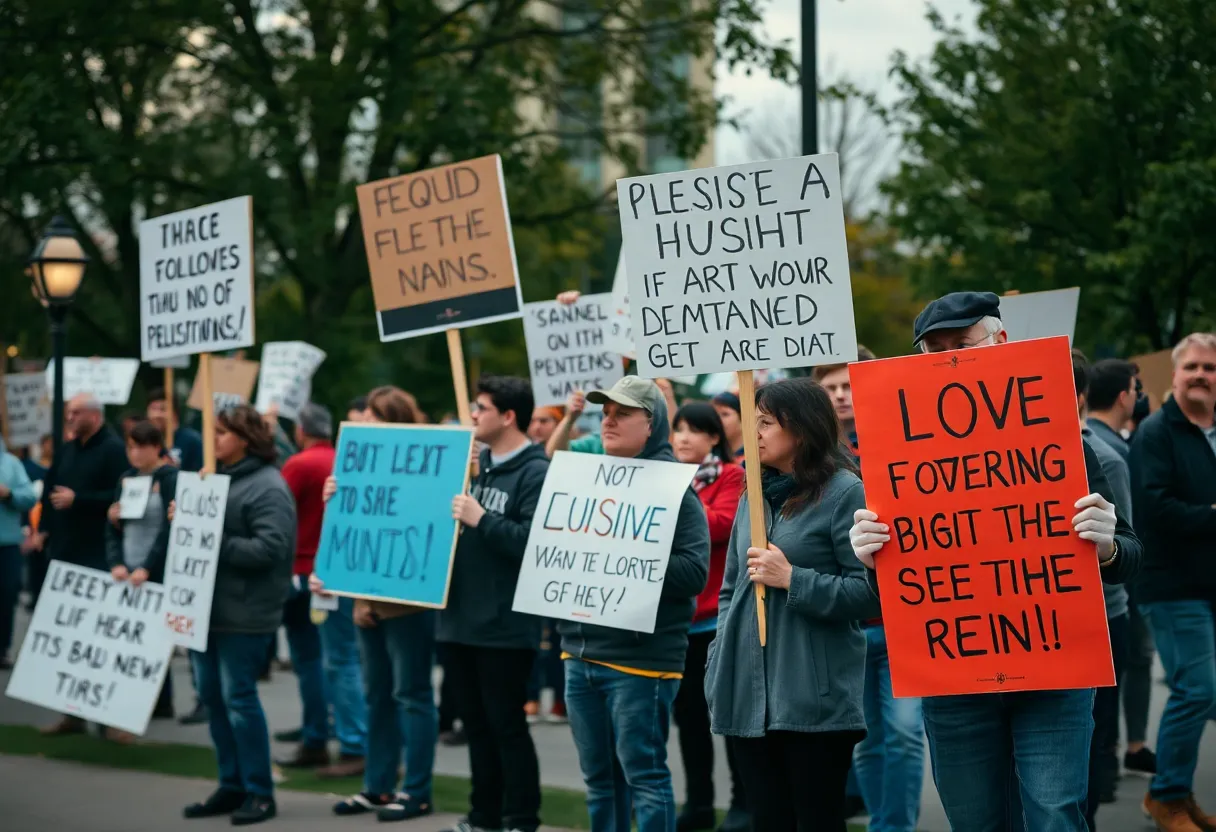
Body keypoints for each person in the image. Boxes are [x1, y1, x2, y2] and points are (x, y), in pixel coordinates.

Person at [848, 291, 1144, 832]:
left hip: (1054, 673)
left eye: (959, 345)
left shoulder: (1061, 440)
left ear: (1001, 342)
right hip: (956, 679)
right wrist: (871, 557)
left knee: (1055, 816)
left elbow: (1130, 556)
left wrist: (1107, 544)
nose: (945, 360)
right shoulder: (899, 453)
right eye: (932, 350)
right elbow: (888, 586)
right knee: (977, 822)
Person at [705, 378, 877, 831]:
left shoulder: (845, 492)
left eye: (764, 422)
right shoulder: (753, 493)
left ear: (800, 429)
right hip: (749, 693)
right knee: (767, 821)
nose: (752, 432)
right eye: (752, 421)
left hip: (813, 698)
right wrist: (721, 651)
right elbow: (731, 588)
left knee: (817, 821)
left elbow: (868, 594)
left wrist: (793, 579)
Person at [560, 376, 709, 832]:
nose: (608, 420)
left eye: (622, 413)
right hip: (579, 653)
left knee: (644, 777)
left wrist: (629, 553)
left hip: (641, 662)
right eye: (605, 412)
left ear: (651, 424)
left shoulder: (674, 490)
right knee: (599, 780)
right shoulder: (585, 479)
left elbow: (694, 573)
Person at [317, 386, 439, 823]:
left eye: (371, 416)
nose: (363, 423)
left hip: (412, 603)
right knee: (377, 696)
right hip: (368, 602)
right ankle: (379, 786)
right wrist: (337, 496)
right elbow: (357, 534)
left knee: (412, 695)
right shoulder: (355, 466)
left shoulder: (429, 468)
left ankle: (417, 790)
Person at [815, 349, 926, 832]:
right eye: (830, 388)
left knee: (904, 734)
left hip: (904, 618)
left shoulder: (903, 440)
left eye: (848, 385)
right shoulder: (811, 459)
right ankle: (883, 821)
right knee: (865, 738)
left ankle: (894, 827)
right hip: (849, 621)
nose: (841, 396)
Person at [171, 405, 295, 826]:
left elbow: (271, 550)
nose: (214, 439)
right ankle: (232, 784)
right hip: (205, 608)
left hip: (244, 612)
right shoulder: (212, 480)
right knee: (212, 697)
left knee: (239, 699)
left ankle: (260, 792)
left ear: (243, 438)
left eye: (221, 432)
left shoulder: (268, 487)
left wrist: (208, 537)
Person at [440, 375, 549, 832]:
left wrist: (482, 518)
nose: (472, 415)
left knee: (506, 725)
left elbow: (533, 542)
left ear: (507, 416)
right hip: (459, 620)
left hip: (505, 624)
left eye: (480, 407)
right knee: (475, 725)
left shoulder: (535, 472)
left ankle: (521, 816)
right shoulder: (471, 465)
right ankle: (483, 813)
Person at [1130, 332, 1216, 831]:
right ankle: (1165, 796)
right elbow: (1156, 510)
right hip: (1173, 585)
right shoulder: (1156, 433)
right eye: (1192, 368)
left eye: (1210, 368)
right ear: (1176, 374)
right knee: (1195, 689)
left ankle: (1176, 791)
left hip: (1209, 582)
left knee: (1203, 691)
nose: (1201, 376)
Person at [276, 403, 367, 776]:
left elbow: (279, 516)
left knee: (321, 661)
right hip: (334, 572)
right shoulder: (344, 460)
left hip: (305, 573)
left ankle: (337, 740)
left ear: (300, 430)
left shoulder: (299, 465)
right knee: (336, 659)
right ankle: (330, 736)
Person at [668, 402, 747, 832]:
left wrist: (672, 512)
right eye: (677, 429)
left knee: (732, 718)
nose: (682, 437)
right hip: (680, 622)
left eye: (693, 430)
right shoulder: (663, 477)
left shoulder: (733, 477)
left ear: (714, 437)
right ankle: (698, 804)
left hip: (718, 620)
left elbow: (723, 525)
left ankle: (742, 803)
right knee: (690, 722)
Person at [37, 393, 129, 737]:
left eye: (76, 412)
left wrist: (80, 500)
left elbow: (120, 496)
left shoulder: (113, 450)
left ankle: (106, 718)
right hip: (64, 553)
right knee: (68, 639)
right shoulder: (67, 449)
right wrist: (44, 528)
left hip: (97, 556)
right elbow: (49, 490)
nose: (71, 418)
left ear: (95, 414)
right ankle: (70, 713)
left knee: (97, 640)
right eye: (68, 413)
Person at [1087, 357, 1159, 780]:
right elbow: (1129, 541)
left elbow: (1120, 545)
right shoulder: (1112, 456)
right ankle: (1111, 764)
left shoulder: (1095, 448)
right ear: (1123, 395)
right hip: (1111, 604)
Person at [1074, 350, 1134, 826]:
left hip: (1098, 618)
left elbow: (1130, 545)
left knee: (1089, 741)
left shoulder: (1099, 456)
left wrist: (1109, 548)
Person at [103, 420, 179, 723]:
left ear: (156, 448)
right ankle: (133, 700)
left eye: (140, 447)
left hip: (155, 571)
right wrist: (116, 562)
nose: (133, 454)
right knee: (129, 639)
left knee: (155, 639)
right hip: (128, 568)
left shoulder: (170, 478)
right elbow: (112, 529)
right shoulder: (126, 479)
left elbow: (169, 529)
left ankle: (161, 702)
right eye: (130, 447)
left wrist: (149, 567)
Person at [0, 431, 37, 670]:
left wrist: (9, 494)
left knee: (6, 596)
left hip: (7, 544)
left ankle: (2, 649)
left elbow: (30, 497)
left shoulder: (11, 464)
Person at [147, 386, 203, 472]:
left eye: (163, 409)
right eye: (153, 409)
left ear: (175, 413)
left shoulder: (192, 440)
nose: (156, 415)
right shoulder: (148, 442)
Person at [710, 392, 745, 459]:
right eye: (714, 414)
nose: (718, 420)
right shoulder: (710, 456)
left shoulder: (756, 455)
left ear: (741, 418)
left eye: (725, 414)